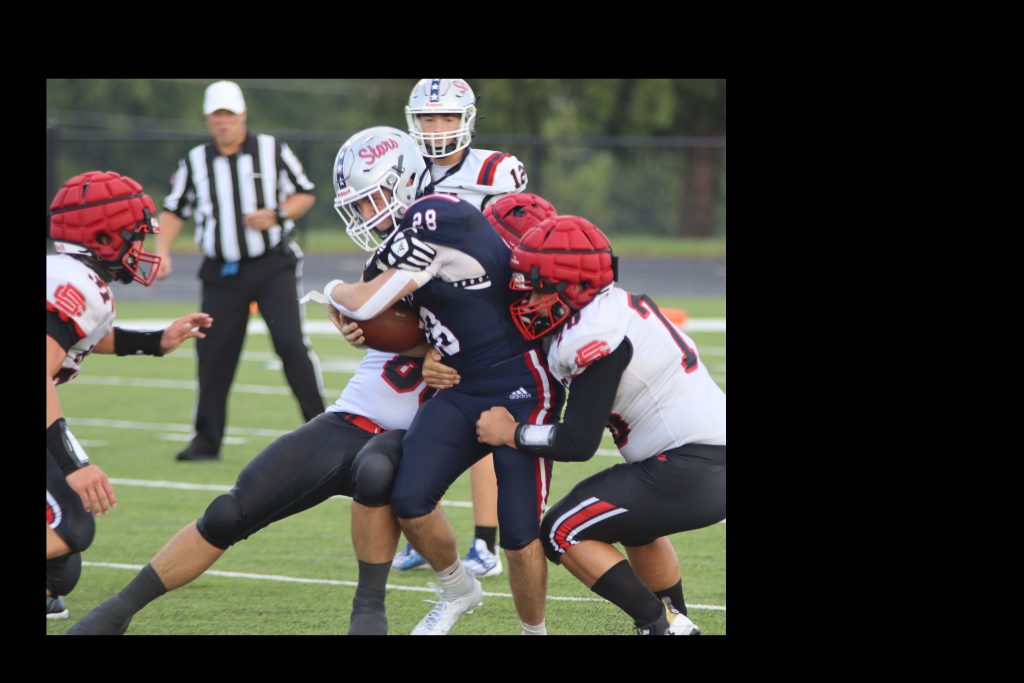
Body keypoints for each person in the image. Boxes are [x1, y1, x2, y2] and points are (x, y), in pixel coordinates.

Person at [66, 295, 434, 636]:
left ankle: (371, 609)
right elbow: (345, 292)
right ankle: (118, 610)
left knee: (375, 469)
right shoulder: (404, 265)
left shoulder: (465, 280)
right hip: (345, 421)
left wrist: (442, 349)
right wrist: (348, 312)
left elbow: (468, 343)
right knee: (227, 513)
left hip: (412, 436)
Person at [329, 126, 562, 635]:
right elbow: (397, 322)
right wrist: (419, 348)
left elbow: (363, 301)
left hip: (520, 382)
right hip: (461, 385)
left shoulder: (438, 214)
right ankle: (459, 590)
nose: (364, 214)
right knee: (410, 499)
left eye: (370, 199)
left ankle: (534, 631)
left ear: (404, 181)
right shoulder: (399, 241)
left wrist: (332, 292)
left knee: (519, 534)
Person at [472, 214, 726, 635]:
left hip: (691, 466)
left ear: (574, 287)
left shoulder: (596, 337)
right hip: (702, 460)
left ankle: (662, 624)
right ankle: (674, 621)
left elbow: (577, 442)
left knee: (562, 530)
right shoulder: (611, 307)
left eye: (539, 288)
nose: (529, 298)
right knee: (637, 527)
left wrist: (509, 433)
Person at [47, 171, 213, 619]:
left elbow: (77, 336)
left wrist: (156, 341)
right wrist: (75, 465)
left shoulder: (72, 276)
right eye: (134, 236)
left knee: (59, 571)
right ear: (103, 238)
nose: (141, 247)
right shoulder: (76, 282)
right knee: (70, 525)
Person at [392, 78, 532, 579]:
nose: (437, 128)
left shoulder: (496, 171)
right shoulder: (403, 170)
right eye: (428, 118)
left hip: (489, 319)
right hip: (430, 313)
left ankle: (484, 542)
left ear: (466, 118)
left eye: (447, 117)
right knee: (421, 429)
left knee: (482, 428)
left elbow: (519, 245)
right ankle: (427, 532)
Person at [156, 80, 325, 462]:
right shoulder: (195, 161)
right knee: (213, 352)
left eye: (229, 115)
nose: (223, 122)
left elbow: (305, 193)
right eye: (217, 115)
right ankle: (207, 440)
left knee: (290, 344)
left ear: (242, 115)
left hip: (272, 265)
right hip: (222, 272)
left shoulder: (272, 150)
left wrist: (277, 214)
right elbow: (174, 209)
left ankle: (321, 428)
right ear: (207, 118)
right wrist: (162, 251)